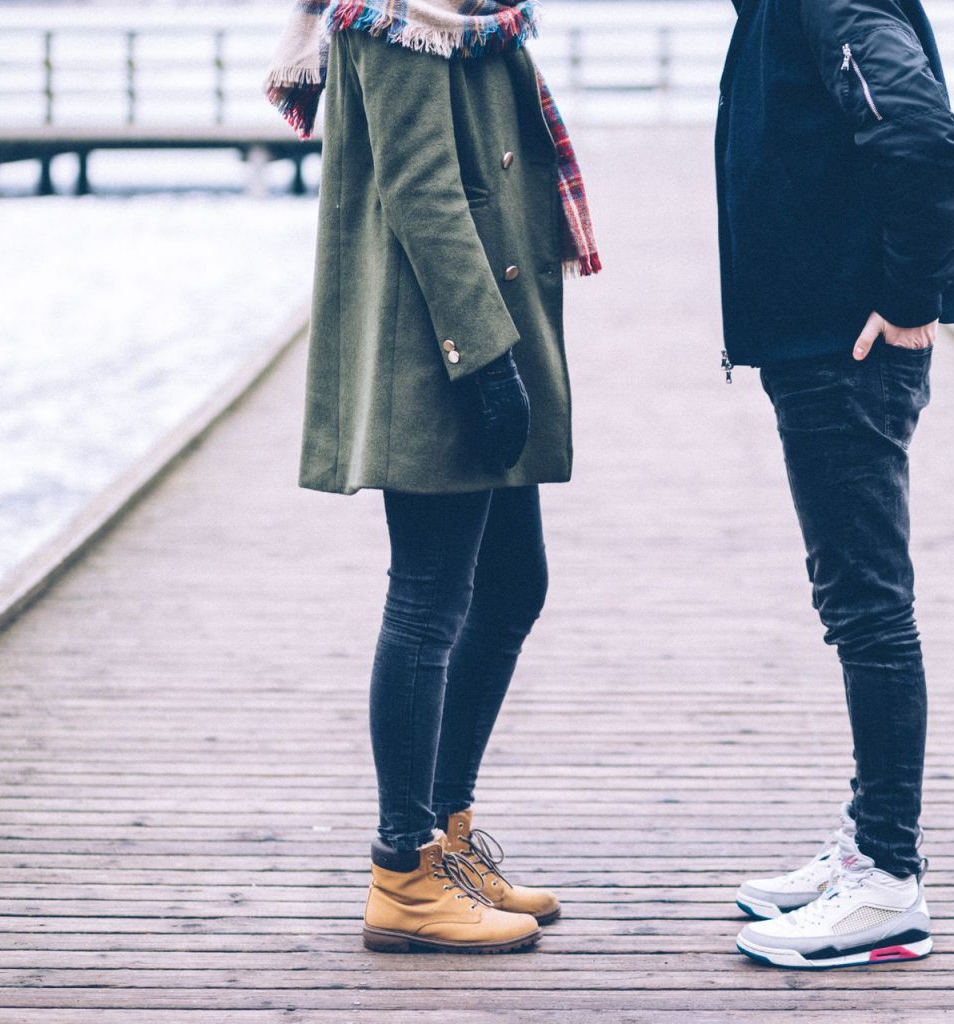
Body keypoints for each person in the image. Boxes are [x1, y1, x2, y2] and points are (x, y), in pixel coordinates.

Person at [264, 0, 601, 955]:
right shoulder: (401, 15)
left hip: (485, 329)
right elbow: (421, 185)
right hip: (440, 346)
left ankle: (445, 836)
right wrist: (486, 359)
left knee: (511, 585)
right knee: (429, 597)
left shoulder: (471, 15)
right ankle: (403, 872)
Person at [714, 0, 954, 969]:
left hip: (848, 346)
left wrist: (912, 299)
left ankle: (887, 880)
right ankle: (870, 843)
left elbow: (921, 138)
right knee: (854, 600)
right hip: (820, 338)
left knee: (868, 607)